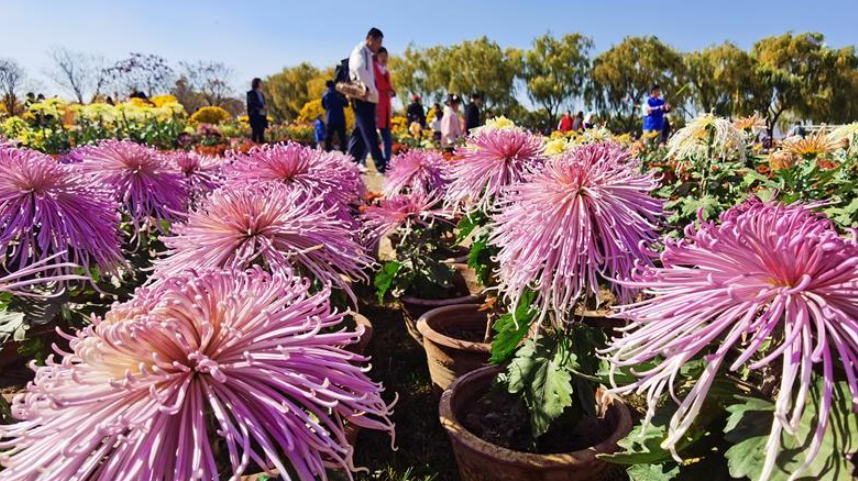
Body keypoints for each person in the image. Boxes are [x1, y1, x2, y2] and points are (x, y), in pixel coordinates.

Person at [346, 27, 386, 174]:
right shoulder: (360, 51)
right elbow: (358, 68)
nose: (379, 45)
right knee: (369, 133)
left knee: (360, 132)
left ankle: (349, 162)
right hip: (363, 97)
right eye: (379, 41)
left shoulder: (367, 53)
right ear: (370, 39)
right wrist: (370, 88)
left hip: (367, 97)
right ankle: (381, 166)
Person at [373, 47, 396, 166]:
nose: (384, 58)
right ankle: (360, 160)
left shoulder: (385, 72)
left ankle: (386, 162)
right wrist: (386, 90)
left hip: (385, 109)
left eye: (385, 56)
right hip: (376, 107)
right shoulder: (373, 68)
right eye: (382, 55)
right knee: (370, 136)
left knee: (387, 138)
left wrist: (391, 92)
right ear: (377, 56)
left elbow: (388, 87)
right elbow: (377, 85)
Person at [322, 80, 348, 152]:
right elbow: (346, 104)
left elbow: (323, 105)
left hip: (330, 118)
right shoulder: (338, 94)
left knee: (328, 136)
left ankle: (327, 150)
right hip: (340, 118)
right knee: (342, 137)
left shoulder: (325, 94)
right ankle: (343, 151)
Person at [246, 78, 268, 143]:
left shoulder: (261, 94)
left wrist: (265, 106)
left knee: (262, 131)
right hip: (255, 114)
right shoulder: (250, 93)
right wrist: (262, 106)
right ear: (256, 83)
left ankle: (262, 147)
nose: (261, 84)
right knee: (255, 131)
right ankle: (254, 148)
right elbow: (252, 103)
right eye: (260, 82)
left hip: (262, 114)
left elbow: (263, 103)